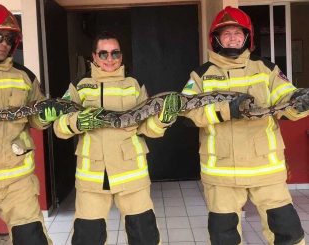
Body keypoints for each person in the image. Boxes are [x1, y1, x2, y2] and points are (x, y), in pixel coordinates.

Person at [180, 6, 309, 245]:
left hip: (265, 170)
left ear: (247, 37)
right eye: (226, 33)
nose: (232, 37)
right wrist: (225, 110)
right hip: (221, 172)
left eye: (238, 33)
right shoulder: (201, 75)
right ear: (216, 38)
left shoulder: (266, 69)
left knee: (287, 233)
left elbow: (286, 100)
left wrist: (300, 104)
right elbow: (187, 112)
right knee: (223, 236)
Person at [53, 31, 180, 245]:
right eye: (103, 54)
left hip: (132, 174)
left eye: (115, 53)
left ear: (121, 56)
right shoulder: (79, 86)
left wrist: (162, 121)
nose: (109, 59)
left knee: (144, 236)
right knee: (87, 238)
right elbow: (58, 126)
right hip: (92, 176)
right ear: (93, 56)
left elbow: (146, 128)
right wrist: (75, 122)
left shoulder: (134, 84)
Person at [0, 4, 61, 245]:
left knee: (33, 240)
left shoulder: (25, 76)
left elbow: (36, 118)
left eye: (9, 37)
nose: (3, 43)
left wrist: (46, 116)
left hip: (18, 182)